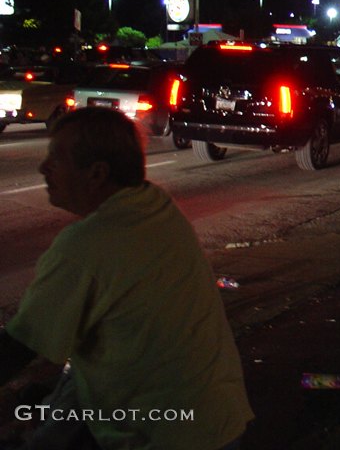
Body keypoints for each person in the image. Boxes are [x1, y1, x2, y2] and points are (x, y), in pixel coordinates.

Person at [0, 107, 252, 450]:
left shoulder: (86, 245)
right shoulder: (154, 205)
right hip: (217, 417)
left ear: (96, 174)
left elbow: (21, 344)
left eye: (56, 158)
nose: (44, 168)